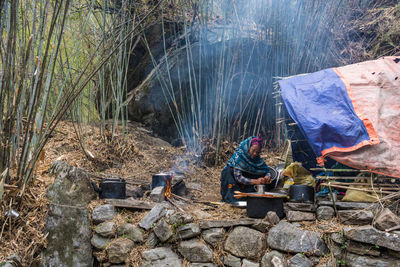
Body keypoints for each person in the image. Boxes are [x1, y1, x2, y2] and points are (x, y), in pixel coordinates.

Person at [220, 135, 274, 203]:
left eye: (257, 152)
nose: (255, 154)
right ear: (248, 147)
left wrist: (267, 177)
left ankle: (248, 196)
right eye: (253, 150)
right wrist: (256, 181)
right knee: (227, 171)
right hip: (235, 182)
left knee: (270, 184)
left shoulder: (257, 160)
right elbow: (239, 178)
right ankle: (233, 197)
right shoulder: (239, 157)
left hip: (247, 184)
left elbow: (266, 170)